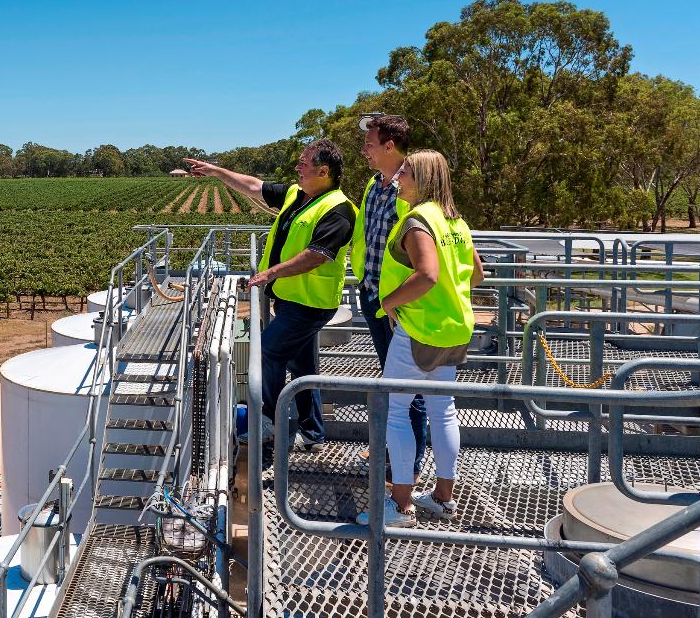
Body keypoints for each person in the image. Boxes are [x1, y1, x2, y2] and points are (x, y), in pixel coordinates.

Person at [184, 140, 356, 451]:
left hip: (310, 304)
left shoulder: (339, 210)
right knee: (304, 370)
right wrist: (215, 171)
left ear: (324, 171)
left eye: (303, 164)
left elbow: (318, 255)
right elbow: (252, 186)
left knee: (267, 354)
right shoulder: (297, 194)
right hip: (292, 300)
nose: (297, 168)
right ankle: (313, 434)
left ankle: (269, 422)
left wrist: (271, 273)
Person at [356, 149, 483, 527]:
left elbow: (426, 274)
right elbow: (476, 274)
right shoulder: (454, 221)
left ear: (424, 178)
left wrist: (389, 302)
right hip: (455, 329)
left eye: (406, 171)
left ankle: (399, 505)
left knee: (396, 413)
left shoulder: (418, 221)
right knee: (442, 410)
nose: (399, 177)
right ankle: (443, 498)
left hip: (419, 330)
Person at [350, 114, 427, 479]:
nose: (365, 149)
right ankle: (390, 448)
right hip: (374, 295)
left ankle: (405, 469)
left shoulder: (413, 188)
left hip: (401, 304)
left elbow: (425, 253)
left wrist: (397, 301)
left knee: (408, 389)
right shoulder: (373, 185)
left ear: (389, 146)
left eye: (370, 143)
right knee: (389, 377)